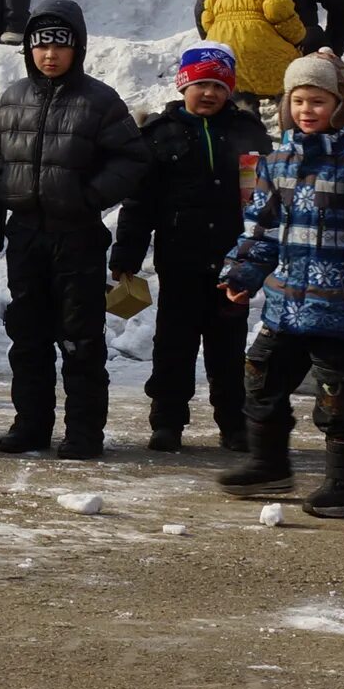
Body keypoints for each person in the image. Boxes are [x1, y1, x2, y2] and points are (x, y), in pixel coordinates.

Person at [217, 51, 344, 518]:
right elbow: (260, 227)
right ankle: (268, 462)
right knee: (259, 377)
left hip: (336, 309)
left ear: (338, 105)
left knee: (337, 397)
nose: (306, 110)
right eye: (298, 100)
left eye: (317, 101)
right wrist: (243, 272)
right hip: (284, 303)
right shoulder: (275, 161)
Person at [0, 0, 150, 457]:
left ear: (77, 48)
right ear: (30, 50)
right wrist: (1, 182)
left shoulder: (99, 100)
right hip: (26, 235)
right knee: (29, 336)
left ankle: (83, 432)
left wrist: (90, 196)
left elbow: (132, 157)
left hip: (77, 236)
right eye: (41, 46)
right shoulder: (14, 96)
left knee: (80, 339)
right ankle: (30, 425)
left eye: (60, 46)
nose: (50, 55)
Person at [114, 43, 273, 452]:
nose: (209, 93)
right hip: (180, 259)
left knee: (228, 346)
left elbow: (268, 200)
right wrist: (126, 257)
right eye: (201, 84)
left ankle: (233, 424)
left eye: (219, 86)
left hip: (233, 264)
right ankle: (167, 421)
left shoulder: (247, 133)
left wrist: (266, 251)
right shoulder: (158, 134)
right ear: (184, 84)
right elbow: (139, 203)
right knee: (174, 344)